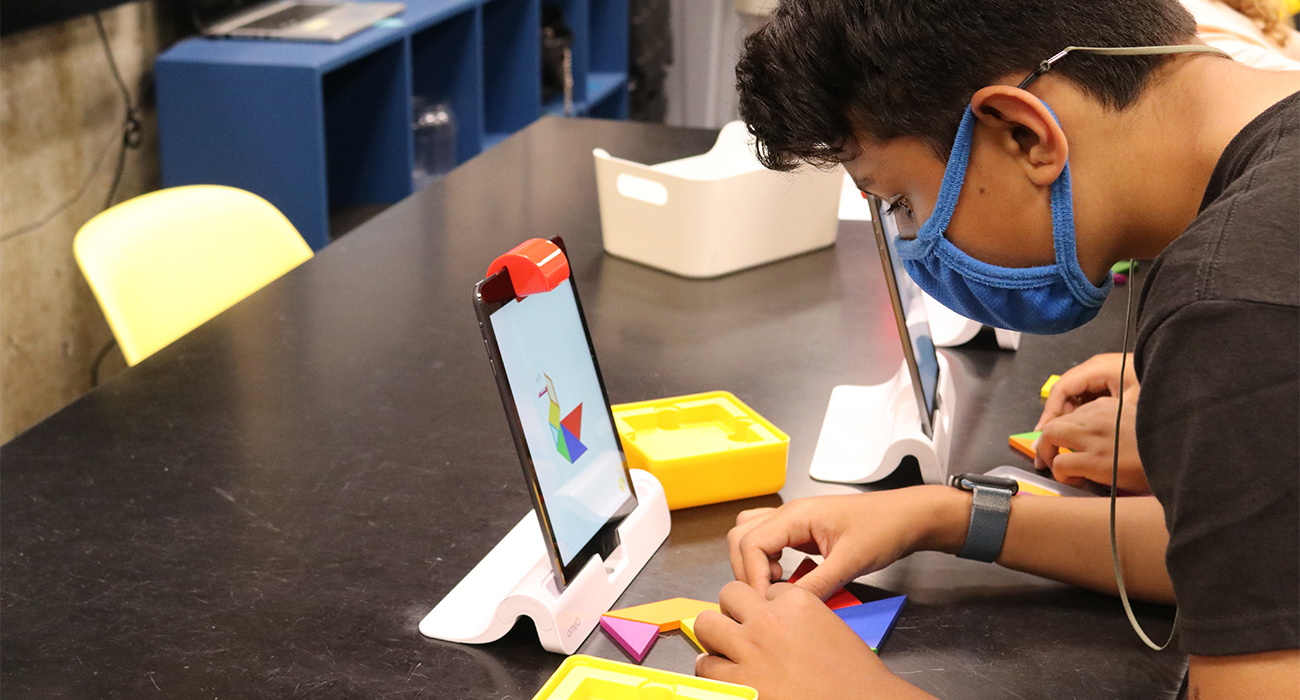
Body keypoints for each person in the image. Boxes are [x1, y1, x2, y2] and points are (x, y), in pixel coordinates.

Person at [692, 1, 1300, 698]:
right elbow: (1252, 564)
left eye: (902, 203)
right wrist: (945, 514)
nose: (915, 241)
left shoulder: (1240, 310)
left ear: (1023, 133)